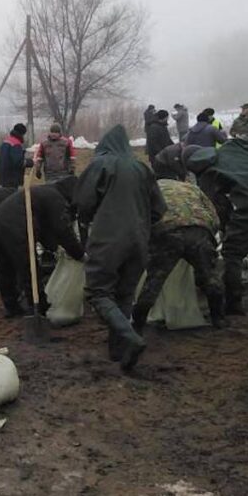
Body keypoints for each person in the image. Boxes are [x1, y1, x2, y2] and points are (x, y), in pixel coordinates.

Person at [75, 125, 167, 371]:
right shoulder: (141, 168)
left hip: (108, 239)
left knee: (98, 292)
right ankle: (118, 351)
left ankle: (131, 338)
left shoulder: (102, 164)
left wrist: (88, 220)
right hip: (139, 240)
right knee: (125, 293)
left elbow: (83, 202)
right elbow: (159, 209)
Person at [186, 136, 248, 315]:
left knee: (232, 253)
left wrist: (225, 229)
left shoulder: (206, 174)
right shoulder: (234, 145)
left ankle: (233, 303)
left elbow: (219, 207)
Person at [132, 179, 225, 331]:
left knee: (154, 282)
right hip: (198, 230)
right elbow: (214, 216)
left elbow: (140, 216)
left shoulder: (147, 187)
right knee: (210, 277)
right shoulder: (191, 187)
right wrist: (209, 238)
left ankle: (138, 323)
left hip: (167, 232)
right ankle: (218, 319)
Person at [0, 181, 84, 317]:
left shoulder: (44, 193)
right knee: (29, 267)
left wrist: (53, 247)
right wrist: (79, 254)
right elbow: (63, 230)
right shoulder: (56, 198)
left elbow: (46, 227)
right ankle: (39, 308)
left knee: (5, 266)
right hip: (17, 226)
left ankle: (11, 306)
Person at [0, 123, 29, 189]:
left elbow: (8, 157)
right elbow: (18, 162)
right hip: (12, 178)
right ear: (22, 133)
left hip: (4, 177)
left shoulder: (6, 141)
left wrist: (22, 152)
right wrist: (30, 162)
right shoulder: (16, 144)